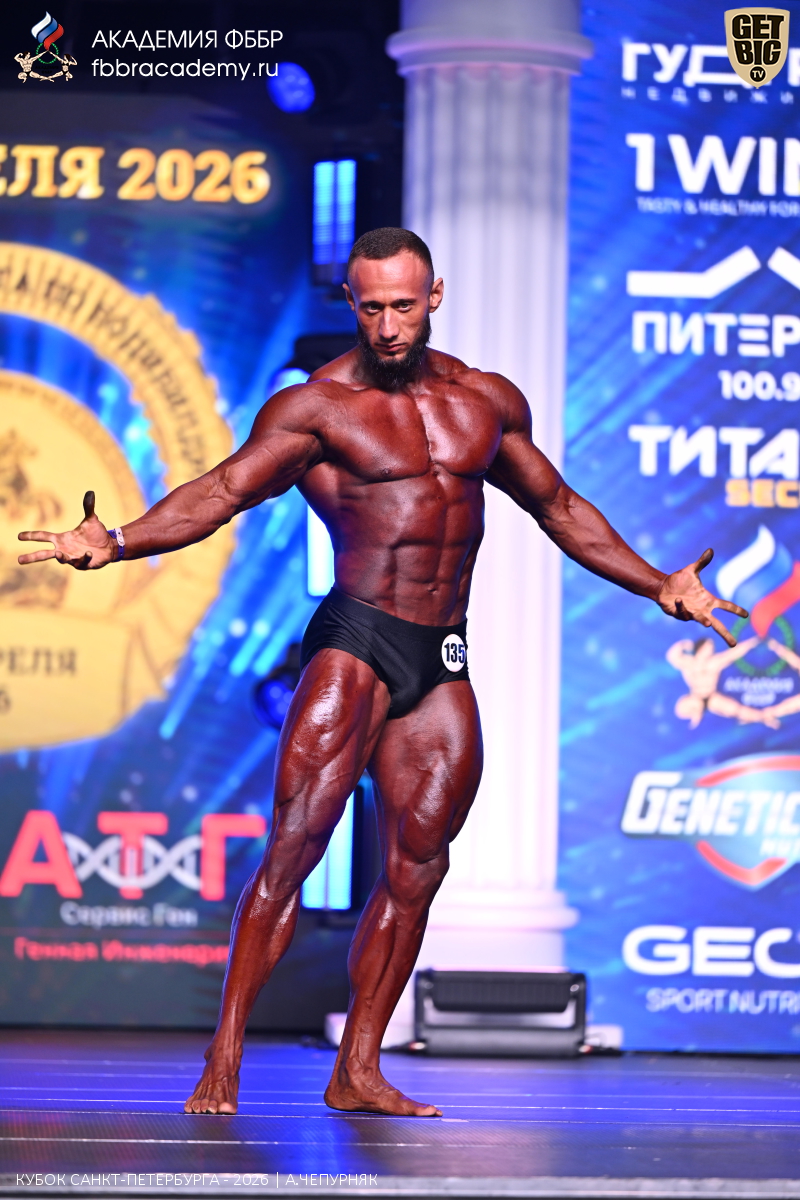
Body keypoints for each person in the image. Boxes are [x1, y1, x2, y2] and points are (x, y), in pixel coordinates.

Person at [17, 227, 746, 1118]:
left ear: (434, 297)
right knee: (294, 849)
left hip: (441, 651)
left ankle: (358, 1068)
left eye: (404, 305)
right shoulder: (319, 409)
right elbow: (222, 490)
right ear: (352, 304)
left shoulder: (486, 401)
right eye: (372, 308)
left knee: (419, 864)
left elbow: (558, 506)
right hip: (356, 637)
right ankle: (225, 1054)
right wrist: (122, 541)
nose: (389, 325)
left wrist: (658, 583)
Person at [665, 635, 777, 729]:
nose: (711, 649)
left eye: (712, 647)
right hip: (695, 697)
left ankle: (764, 718)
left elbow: (734, 653)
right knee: (682, 709)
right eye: (708, 647)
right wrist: (684, 645)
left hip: (711, 698)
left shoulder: (715, 662)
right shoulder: (689, 662)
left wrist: (751, 643)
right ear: (701, 647)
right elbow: (671, 656)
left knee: (737, 710)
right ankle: (697, 711)